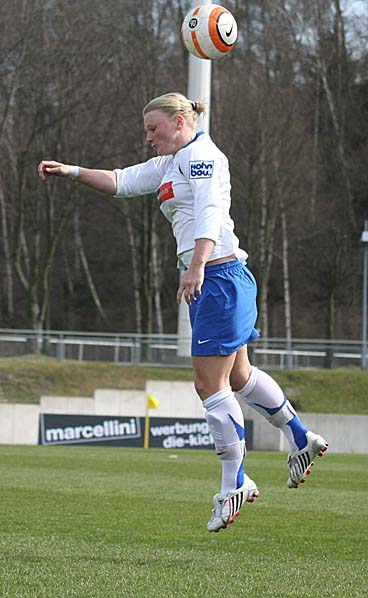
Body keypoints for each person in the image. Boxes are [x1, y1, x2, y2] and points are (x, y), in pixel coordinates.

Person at [38, 92, 328, 533]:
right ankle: (301, 438)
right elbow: (121, 180)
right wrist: (71, 171)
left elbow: (210, 213)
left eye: (153, 129)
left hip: (217, 277)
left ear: (178, 121)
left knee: (208, 384)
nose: (148, 137)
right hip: (220, 278)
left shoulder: (202, 156)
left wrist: (195, 267)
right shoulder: (170, 162)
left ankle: (235, 483)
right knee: (238, 376)